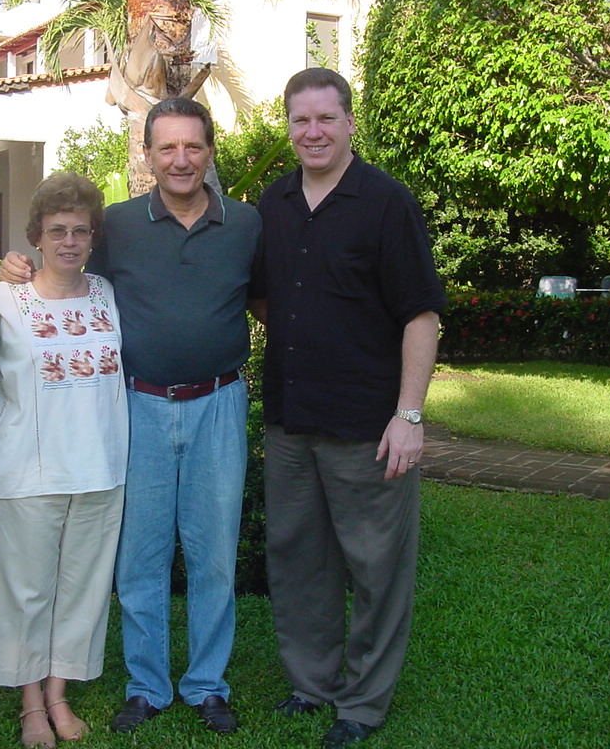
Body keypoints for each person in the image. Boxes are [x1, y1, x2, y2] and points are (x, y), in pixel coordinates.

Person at [1, 98, 261, 735]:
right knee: (140, 556)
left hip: (220, 403)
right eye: (166, 147)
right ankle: (146, 683)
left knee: (213, 554)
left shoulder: (248, 224)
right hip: (137, 404)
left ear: (209, 152)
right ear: (147, 155)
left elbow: (272, 297)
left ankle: (206, 684)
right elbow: (65, 262)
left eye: (192, 147)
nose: (180, 159)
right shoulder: (116, 223)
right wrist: (19, 266)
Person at [250, 68, 447, 749]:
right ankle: (312, 684)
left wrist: (410, 414)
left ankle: (361, 704)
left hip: (369, 424)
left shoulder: (386, 202)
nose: (312, 132)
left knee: (376, 565)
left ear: (350, 123)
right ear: (288, 126)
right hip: (291, 418)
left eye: (325, 119)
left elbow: (421, 315)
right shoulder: (272, 203)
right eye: (300, 120)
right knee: (298, 558)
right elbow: (262, 298)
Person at [0, 172, 128, 749]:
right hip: (28, 470)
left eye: (80, 231)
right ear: (36, 238)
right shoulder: (2, 300)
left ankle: (59, 692)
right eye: (56, 231)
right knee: (27, 590)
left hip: (101, 465)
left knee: (83, 588)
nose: (69, 241)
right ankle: (29, 704)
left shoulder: (107, 294)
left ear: (93, 237)